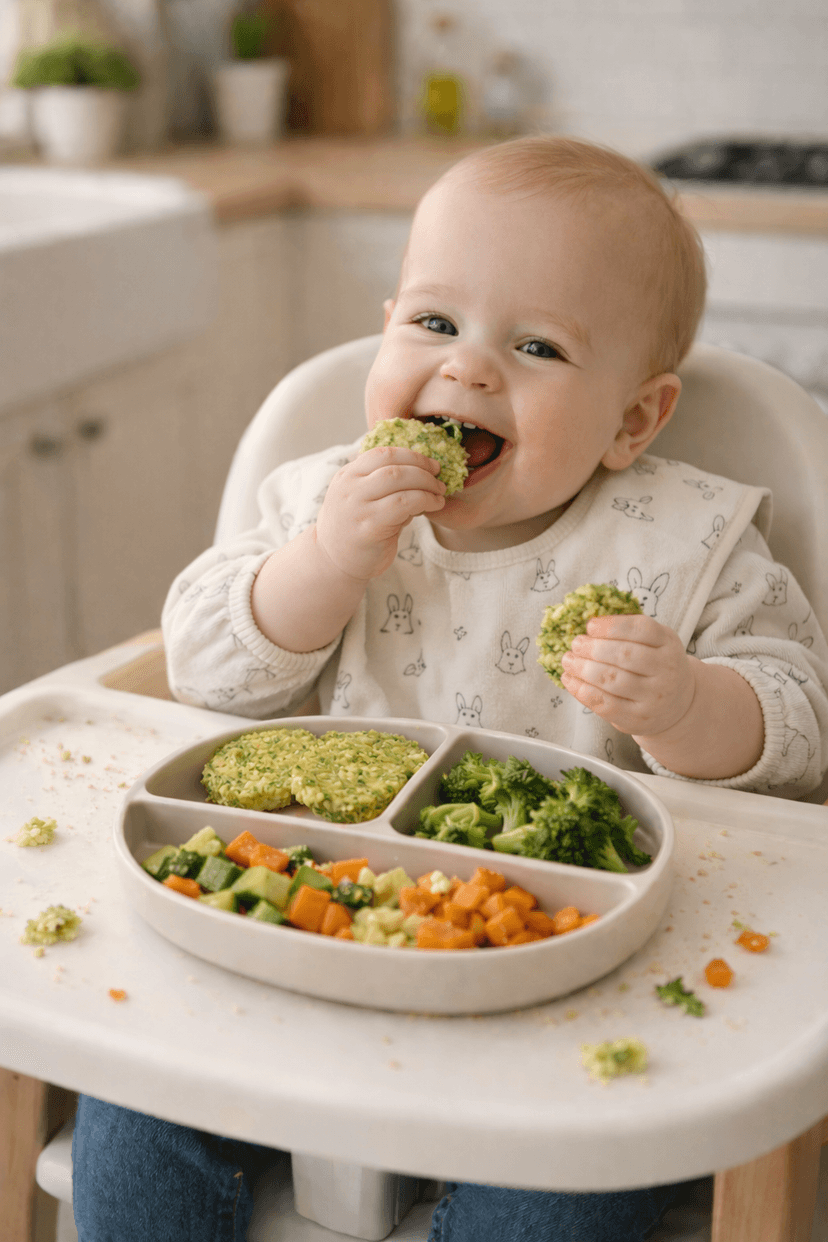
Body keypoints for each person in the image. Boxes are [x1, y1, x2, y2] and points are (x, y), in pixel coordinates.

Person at [73, 136, 828, 1242]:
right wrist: (320, 569)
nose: (468, 370)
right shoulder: (320, 501)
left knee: (566, 1196)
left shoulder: (690, 544)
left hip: (573, 987)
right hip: (301, 939)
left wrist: (688, 704)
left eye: (536, 346)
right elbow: (202, 670)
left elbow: (801, 730)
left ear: (634, 420)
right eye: (433, 323)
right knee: (133, 1115)